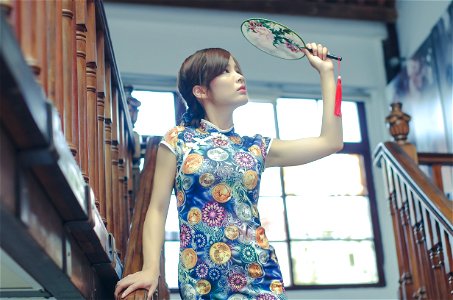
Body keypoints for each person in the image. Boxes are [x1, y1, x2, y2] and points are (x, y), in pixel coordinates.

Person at [115, 43, 343, 300]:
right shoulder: (179, 140)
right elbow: (156, 210)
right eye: (225, 71)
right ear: (200, 90)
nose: (239, 76)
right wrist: (150, 270)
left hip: (260, 275)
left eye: (237, 69)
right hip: (202, 279)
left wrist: (326, 73)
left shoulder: (255, 147)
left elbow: (330, 142)